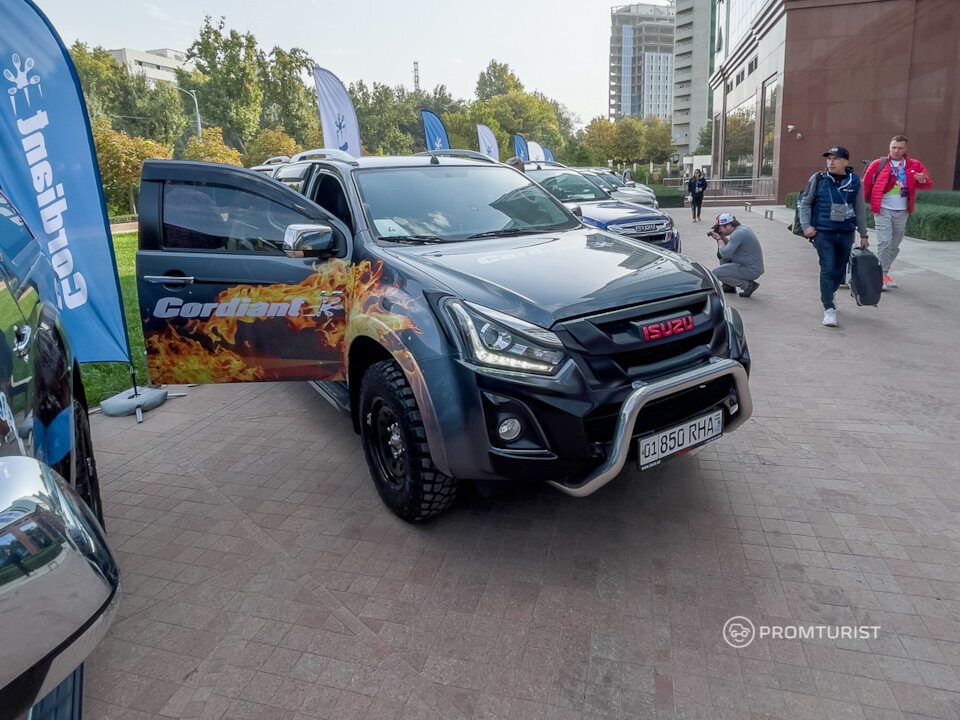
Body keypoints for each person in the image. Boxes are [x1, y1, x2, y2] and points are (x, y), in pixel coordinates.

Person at [799, 146, 869, 327]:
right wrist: (807, 226)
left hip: (846, 233)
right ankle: (828, 308)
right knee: (827, 268)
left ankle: (830, 293)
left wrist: (863, 234)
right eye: (829, 159)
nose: (831, 162)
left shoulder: (855, 182)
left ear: (845, 162)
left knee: (839, 273)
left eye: (835, 159)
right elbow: (805, 203)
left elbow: (860, 210)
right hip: (823, 233)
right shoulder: (819, 179)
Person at [862, 135, 931, 289]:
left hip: (903, 210)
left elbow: (926, 183)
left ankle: (883, 272)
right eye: (894, 147)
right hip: (883, 208)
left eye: (900, 148)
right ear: (889, 147)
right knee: (884, 242)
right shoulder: (878, 164)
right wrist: (859, 203)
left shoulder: (914, 165)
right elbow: (865, 184)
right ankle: (880, 276)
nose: (896, 150)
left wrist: (922, 180)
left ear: (905, 149)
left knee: (895, 245)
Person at [709, 212, 764, 298]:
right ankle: (729, 286)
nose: (719, 231)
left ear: (729, 225)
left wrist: (719, 238)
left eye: (720, 228)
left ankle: (748, 285)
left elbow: (725, 253)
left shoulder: (738, 233)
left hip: (751, 270)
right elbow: (729, 248)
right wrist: (722, 237)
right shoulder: (741, 229)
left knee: (716, 273)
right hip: (748, 265)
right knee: (723, 260)